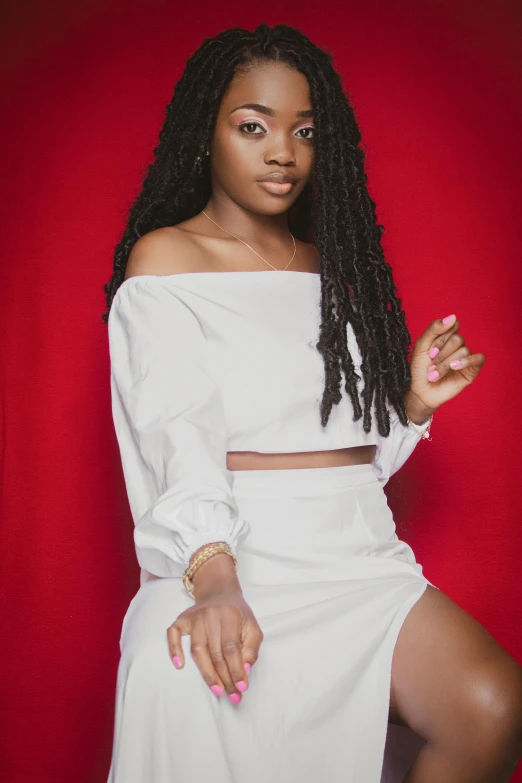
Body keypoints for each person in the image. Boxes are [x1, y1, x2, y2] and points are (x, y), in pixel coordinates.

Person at [102, 23, 522, 783]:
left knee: (491, 702)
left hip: (355, 554)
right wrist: (217, 576)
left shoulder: (332, 268)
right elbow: (177, 428)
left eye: (304, 131)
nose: (282, 152)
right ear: (207, 134)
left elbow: (345, 451)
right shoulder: (167, 259)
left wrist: (414, 407)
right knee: (184, 686)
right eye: (253, 126)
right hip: (229, 553)